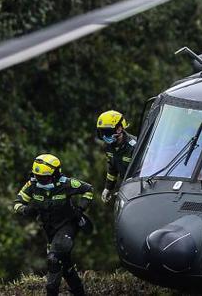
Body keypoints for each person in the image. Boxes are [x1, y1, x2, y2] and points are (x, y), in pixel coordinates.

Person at [14, 154, 93, 296]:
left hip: (68, 225)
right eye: (37, 176)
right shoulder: (32, 185)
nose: (40, 180)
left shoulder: (66, 184)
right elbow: (17, 203)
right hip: (49, 229)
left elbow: (88, 190)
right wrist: (26, 210)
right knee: (66, 265)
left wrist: (81, 208)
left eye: (44, 177)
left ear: (56, 173)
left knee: (54, 259)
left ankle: (51, 292)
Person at [96, 110, 136, 203]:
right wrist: (108, 188)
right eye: (102, 132)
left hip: (138, 189)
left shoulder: (134, 147)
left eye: (107, 131)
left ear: (119, 129)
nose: (105, 136)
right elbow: (112, 168)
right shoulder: (108, 146)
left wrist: (131, 189)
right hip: (126, 187)